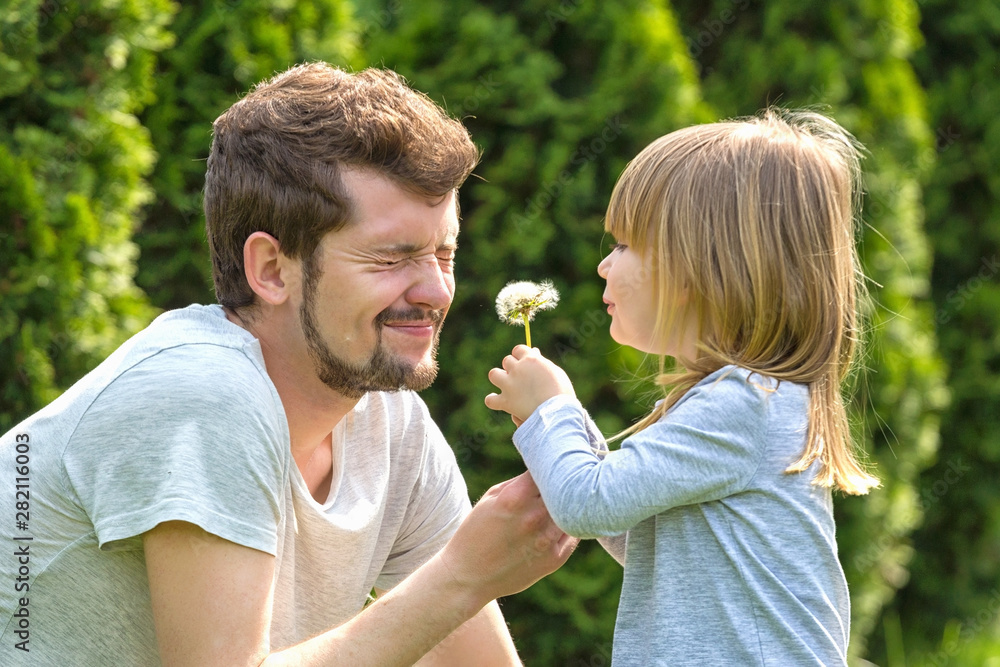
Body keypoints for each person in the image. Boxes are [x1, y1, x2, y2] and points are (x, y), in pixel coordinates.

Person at [0, 62, 575, 665]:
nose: (436, 291)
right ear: (272, 270)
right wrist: (461, 578)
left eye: (444, 253)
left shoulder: (392, 425)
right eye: (391, 258)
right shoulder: (203, 394)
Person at [485, 109, 880, 665]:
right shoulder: (743, 400)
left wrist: (552, 409)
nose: (604, 266)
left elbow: (590, 505)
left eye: (625, 246)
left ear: (695, 268)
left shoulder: (742, 404)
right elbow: (646, 533)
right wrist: (557, 436)